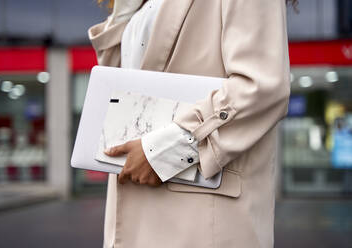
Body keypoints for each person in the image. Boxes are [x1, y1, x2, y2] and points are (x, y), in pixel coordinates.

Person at [88, 0, 296, 247]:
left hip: (203, 217)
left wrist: (163, 153)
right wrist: (124, 10)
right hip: (135, 211)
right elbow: (121, 80)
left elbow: (261, 87)